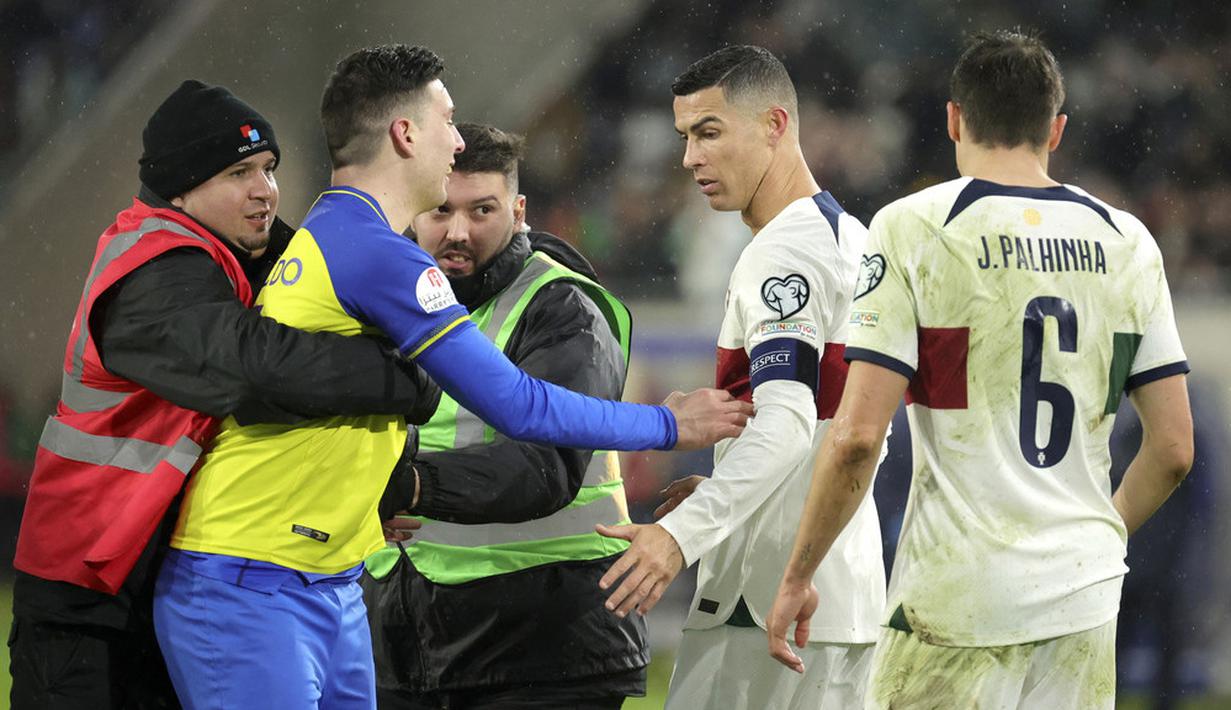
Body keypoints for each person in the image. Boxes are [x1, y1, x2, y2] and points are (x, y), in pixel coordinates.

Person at [152, 44, 749, 709]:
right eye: (447, 120)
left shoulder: (332, 231)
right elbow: (519, 406)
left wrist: (379, 486)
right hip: (253, 575)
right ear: (405, 134)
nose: (457, 140)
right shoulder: (376, 254)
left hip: (325, 577)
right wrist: (667, 424)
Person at [767, 30, 1194, 710]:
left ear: (953, 119)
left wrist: (798, 573)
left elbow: (857, 438)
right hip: (1082, 601)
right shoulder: (1128, 241)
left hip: (957, 594)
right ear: (1054, 129)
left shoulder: (914, 227)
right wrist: (1089, 544)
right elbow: (1172, 450)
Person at [9, 80, 441, 708]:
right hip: (89, 597)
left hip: (177, 573)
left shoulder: (244, 249)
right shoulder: (150, 267)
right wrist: (410, 379)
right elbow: (259, 372)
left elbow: (364, 302)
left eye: (269, 169)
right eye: (240, 173)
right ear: (181, 188)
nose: (265, 191)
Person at [595, 45, 886, 709]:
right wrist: (735, 489)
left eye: (708, 132)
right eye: (684, 137)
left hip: (766, 607)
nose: (689, 158)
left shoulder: (781, 255)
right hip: (841, 595)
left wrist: (681, 534)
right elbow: (843, 428)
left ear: (775, 125)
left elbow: (785, 423)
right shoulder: (856, 241)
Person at [363, 122, 649, 709]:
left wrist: (407, 486)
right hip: (406, 642)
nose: (458, 232)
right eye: (441, 210)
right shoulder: (382, 301)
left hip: (548, 646)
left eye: (482, 210)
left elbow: (545, 469)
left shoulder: (563, 308)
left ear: (518, 212)